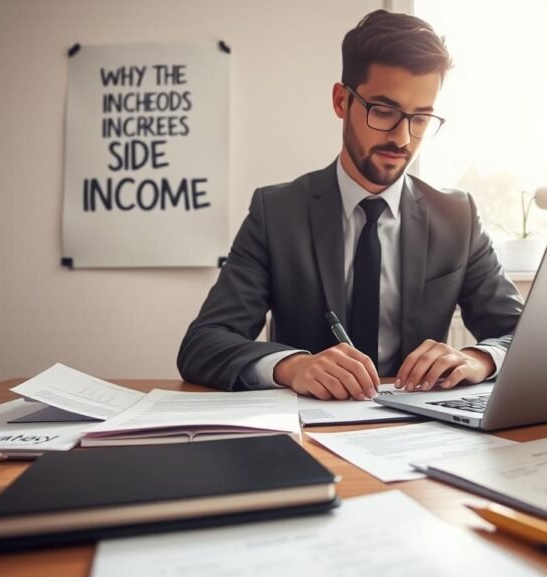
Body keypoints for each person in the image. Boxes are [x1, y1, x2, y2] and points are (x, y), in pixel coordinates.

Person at [177, 9, 523, 400]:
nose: (402, 139)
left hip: (420, 432)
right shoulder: (276, 212)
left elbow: (525, 334)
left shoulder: (457, 216)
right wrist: (293, 366)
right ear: (342, 101)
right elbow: (203, 344)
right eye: (384, 111)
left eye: (421, 118)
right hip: (309, 429)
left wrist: (480, 358)